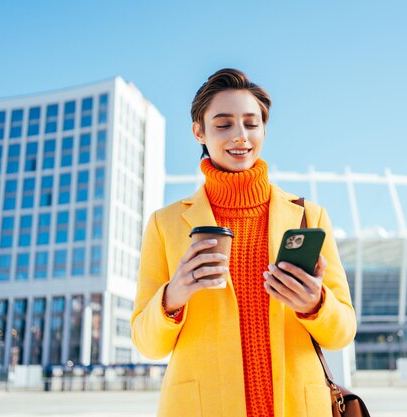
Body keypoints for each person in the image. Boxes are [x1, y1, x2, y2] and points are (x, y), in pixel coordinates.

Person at [131, 68, 357, 417]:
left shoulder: (309, 216)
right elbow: (147, 343)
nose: (240, 136)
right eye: (223, 125)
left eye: (251, 124)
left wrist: (316, 303)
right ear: (198, 132)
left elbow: (342, 332)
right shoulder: (166, 223)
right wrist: (173, 296)